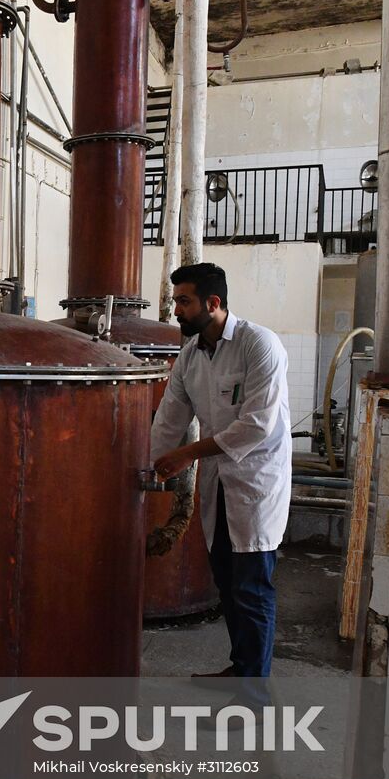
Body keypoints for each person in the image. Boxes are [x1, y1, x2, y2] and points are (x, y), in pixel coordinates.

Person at [150, 262, 292, 689]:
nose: (177, 310)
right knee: (228, 584)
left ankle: (254, 695)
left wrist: (187, 455)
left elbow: (256, 426)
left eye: (184, 301)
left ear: (213, 303)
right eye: (176, 301)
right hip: (219, 483)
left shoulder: (259, 345)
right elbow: (169, 419)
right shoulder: (191, 356)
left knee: (251, 590)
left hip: (255, 483)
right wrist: (150, 466)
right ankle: (241, 669)